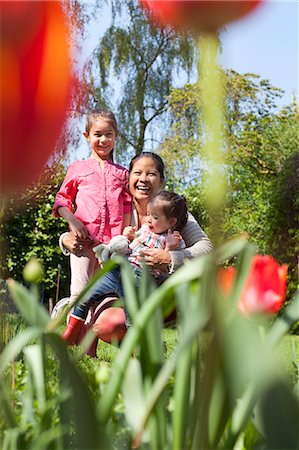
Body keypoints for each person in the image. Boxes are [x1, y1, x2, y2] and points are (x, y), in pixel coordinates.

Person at [59, 152, 213, 352]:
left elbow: (206, 249)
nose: (143, 179)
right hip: (121, 287)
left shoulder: (173, 211)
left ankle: (155, 347)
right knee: (107, 324)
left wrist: (170, 257)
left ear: (161, 180)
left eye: (151, 174)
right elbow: (93, 232)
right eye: (137, 173)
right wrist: (64, 238)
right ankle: (143, 346)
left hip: (159, 290)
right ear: (128, 178)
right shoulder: (116, 208)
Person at [62, 190, 188, 344]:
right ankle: (69, 335)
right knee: (85, 298)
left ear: (171, 222)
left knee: (132, 318)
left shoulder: (174, 239)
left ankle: (139, 350)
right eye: (148, 214)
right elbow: (130, 245)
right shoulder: (145, 229)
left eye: (154, 217)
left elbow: (167, 264)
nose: (148, 220)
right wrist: (128, 235)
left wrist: (169, 249)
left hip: (137, 278)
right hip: (116, 269)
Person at [52, 109, 132, 328]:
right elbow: (61, 200)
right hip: (84, 243)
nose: (103, 140)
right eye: (97, 134)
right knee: (80, 291)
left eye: (108, 134)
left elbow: (126, 206)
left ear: (116, 137)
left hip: (110, 247)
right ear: (87, 136)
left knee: (102, 295)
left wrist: (122, 236)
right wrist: (74, 222)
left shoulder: (122, 174)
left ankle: (90, 344)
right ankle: (73, 339)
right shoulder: (77, 168)